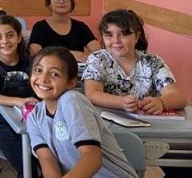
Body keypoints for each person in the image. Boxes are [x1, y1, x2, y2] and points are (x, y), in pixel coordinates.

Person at [83, 9, 192, 178]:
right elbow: (92, 93)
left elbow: (178, 98)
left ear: (136, 36)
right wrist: (121, 103)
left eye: (124, 34)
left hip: (151, 132)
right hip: (109, 132)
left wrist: (161, 102)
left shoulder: (153, 62)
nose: (116, 41)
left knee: (186, 166)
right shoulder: (98, 59)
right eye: (109, 35)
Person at [27, 46, 137, 178]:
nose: (43, 78)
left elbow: (92, 158)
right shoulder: (34, 116)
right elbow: (47, 160)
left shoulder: (72, 101)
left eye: (55, 74)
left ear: (71, 83)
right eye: (38, 70)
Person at [0, 14, 38, 177]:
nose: (5, 41)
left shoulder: (31, 61)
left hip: (32, 117)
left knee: (48, 160)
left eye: (10, 35)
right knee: (27, 166)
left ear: (19, 37)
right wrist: (20, 101)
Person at [28, 0, 100, 62]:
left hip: (77, 67)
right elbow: (36, 53)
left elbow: (98, 51)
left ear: (71, 3)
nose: (61, 1)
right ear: (49, 4)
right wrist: (68, 55)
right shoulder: (39, 27)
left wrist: (87, 57)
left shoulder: (80, 26)